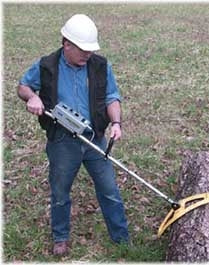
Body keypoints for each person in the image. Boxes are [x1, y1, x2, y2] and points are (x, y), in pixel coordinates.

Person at [18, 14, 129, 256]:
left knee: (109, 189)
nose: (87, 54)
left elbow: (112, 96)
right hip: (62, 141)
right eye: (83, 49)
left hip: (94, 138)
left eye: (91, 49)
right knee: (60, 192)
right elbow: (23, 86)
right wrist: (32, 97)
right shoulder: (46, 65)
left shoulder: (100, 66)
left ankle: (121, 238)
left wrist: (116, 123)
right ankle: (60, 237)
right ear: (66, 43)